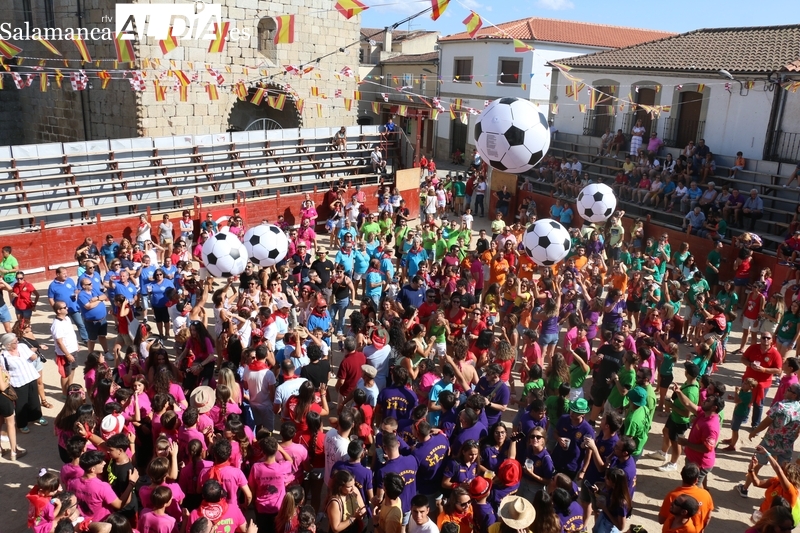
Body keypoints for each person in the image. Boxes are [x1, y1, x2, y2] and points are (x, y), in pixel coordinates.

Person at [737, 384, 800, 498]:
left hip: (769, 443)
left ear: (794, 395)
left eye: (789, 389)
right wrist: (790, 441)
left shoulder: (780, 406)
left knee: (756, 465)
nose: (786, 389)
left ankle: (744, 488)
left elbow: (766, 422)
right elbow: (797, 432)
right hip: (786, 446)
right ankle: (783, 495)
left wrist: (755, 431)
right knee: (785, 472)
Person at [0, 332, 45, 434]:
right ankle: (22, 424)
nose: (17, 343)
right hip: (18, 382)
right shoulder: (3, 357)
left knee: (34, 399)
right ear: (8, 345)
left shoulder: (22, 346)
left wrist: (34, 354)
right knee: (21, 404)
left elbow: (33, 357)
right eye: (15, 342)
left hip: (31, 377)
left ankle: (37, 416)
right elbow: (4, 371)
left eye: (17, 340)